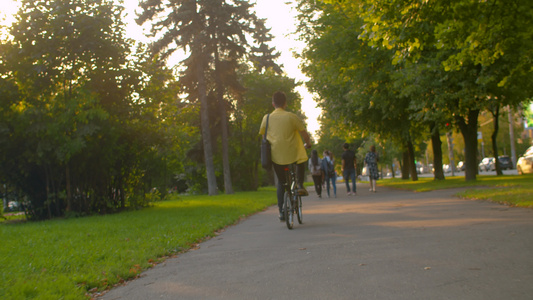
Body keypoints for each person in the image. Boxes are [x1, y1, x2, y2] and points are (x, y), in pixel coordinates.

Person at [259, 91, 312, 221]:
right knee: (302, 157)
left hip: (276, 155)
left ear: (273, 104)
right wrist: (308, 143)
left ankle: (281, 211)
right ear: (285, 104)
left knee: (282, 184)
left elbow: (263, 136)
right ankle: (299, 185)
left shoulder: (267, 118)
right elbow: (304, 134)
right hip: (293, 153)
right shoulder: (291, 117)